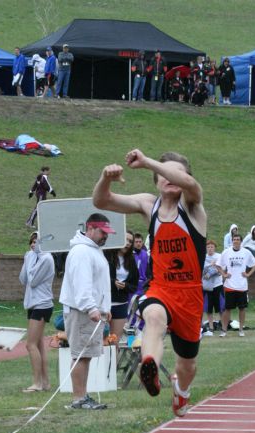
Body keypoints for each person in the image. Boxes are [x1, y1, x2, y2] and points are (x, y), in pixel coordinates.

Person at [93, 149, 207, 417]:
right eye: (167, 173)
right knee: (153, 317)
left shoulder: (192, 205)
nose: (173, 178)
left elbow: (190, 184)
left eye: (178, 173)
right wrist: (105, 178)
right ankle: (150, 368)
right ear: (156, 180)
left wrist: (145, 162)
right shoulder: (149, 205)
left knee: (187, 365)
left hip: (190, 296)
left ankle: (182, 392)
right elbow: (101, 201)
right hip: (160, 288)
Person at [59, 213, 114, 410]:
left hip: (92, 310)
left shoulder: (93, 250)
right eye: (102, 232)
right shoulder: (82, 251)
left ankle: (82, 395)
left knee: (87, 354)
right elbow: (82, 284)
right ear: (90, 228)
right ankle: (78, 398)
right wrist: (91, 307)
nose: (105, 236)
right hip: (82, 311)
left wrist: (104, 308)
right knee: (81, 353)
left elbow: (98, 283)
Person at [19, 231, 55, 391]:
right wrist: (28, 259)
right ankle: (45, 382)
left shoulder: (47, 258)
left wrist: (31, 260)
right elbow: (23, 279)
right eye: (31, 242)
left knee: (30, 344)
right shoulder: (32, 257)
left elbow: (33, 282)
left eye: (36, 241)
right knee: (39, 344)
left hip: (42, 304)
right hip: (32, 304)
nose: (33, 245)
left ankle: (37, 383)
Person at [218, 232, 255, 336]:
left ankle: (241, 330)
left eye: (237, 239)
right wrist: (224, 274)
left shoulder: (246, 252)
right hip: (229, 285)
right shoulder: (226, 252)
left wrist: (248, 274)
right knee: (227, 309)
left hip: (242, 286)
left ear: (241, 241)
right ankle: (224, 330)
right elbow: (218, 265)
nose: (236, 241)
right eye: (234, 239)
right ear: (232, 241)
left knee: (242, 308)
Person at [106, 230, 139, 342]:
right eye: (126, 239)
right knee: (103, 342)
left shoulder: (131, 261)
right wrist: (113, 282)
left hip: (121, 305)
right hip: (104, 303)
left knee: (115, 341)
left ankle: (114, 360)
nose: (128, 243)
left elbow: (134, 286)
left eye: (130, 241)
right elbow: (99, 278)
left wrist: (125, 286)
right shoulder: (107, 255)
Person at [201, 239, 223, 335]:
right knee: (208, 308)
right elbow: (201, 271)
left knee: (220, 307)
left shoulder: (219, 256)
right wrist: (210, 268)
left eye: (212, 247)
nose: (210, 249)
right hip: (207, 286)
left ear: (215, 248)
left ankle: (222, 325)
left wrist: (215, 269)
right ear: (206, 248)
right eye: (208, 247)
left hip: (217, 285)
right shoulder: (203, 258)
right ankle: (211, 327)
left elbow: (221, 270)